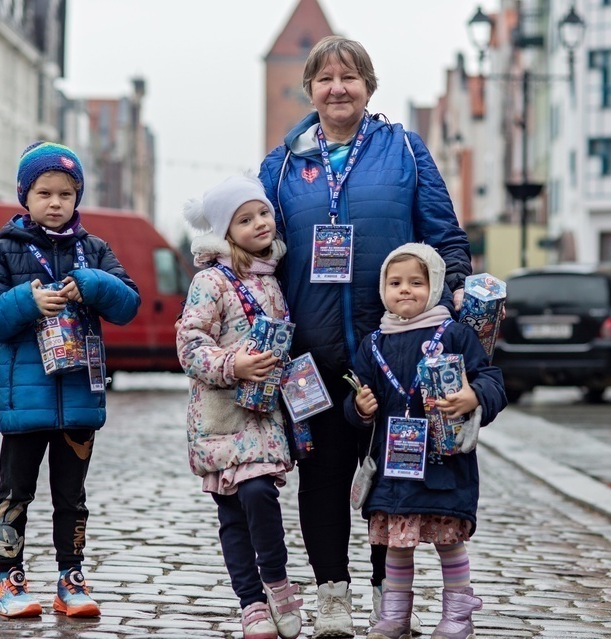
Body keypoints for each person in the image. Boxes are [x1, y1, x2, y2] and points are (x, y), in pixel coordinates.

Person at [259, 35, 473, 637]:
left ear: (369, 86)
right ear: (309, 90)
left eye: (349, 77)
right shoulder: (281, 165)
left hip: (396, 345)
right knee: (322, 474)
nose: (337, 89)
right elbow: (257, 252)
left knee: (392, 473)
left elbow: (445, 236)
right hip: (312, 349)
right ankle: (332, 594)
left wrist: (454, 293)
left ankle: (390, 594)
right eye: (324, 79)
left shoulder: (403, 149)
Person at [0, 141, 141, 618]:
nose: (55, 202)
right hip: (25, 403)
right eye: (44, 192)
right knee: (16, 492)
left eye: (66, 193)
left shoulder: (95, 249)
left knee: (72, 497)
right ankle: (8, 577)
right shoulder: (3, 253)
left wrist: (92, 284)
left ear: (77, 198)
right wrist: (28, 303)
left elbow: (128, 304)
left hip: (79, 400)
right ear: (25, 196)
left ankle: (71, 578)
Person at [345, 244, 506, 639]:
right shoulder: (373, 344)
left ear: (434, 287)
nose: (405, 290)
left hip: (443, 464)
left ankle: (458, 615)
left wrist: (474, 397)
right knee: (398, 546)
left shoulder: (454, 334)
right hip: (393, 467)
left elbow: (491, 380)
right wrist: (360, 407)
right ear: (382, 289)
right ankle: (395, 615)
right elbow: (358, 406)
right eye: (395, 282)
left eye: (417, 282)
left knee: (448, 543)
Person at [176, 174, 304, 639]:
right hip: (222, 412)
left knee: (259, 495)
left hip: (265, 412)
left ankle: (276, 579)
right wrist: (234, 364)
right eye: (244, 219)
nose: (259, 224)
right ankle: (251, 602)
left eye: (263, 213)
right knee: (233, 508)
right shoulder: (211, 281)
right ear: (225, 232)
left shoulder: (273, 277)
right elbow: (190, 345)